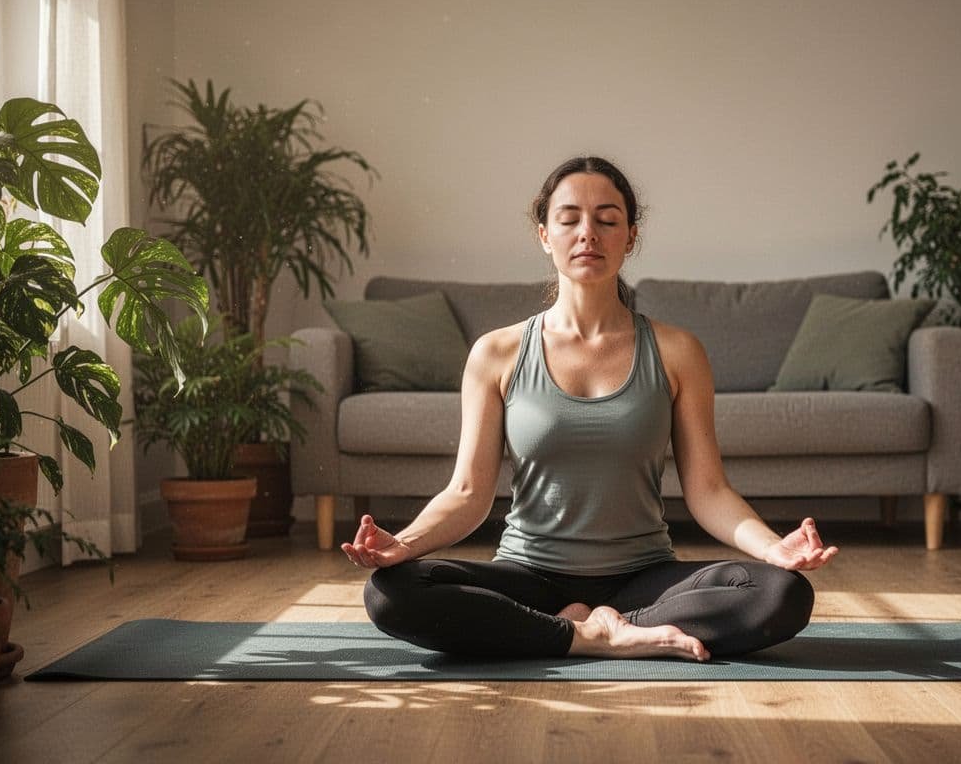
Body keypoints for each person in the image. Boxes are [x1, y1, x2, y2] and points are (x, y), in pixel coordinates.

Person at [343, 156, 838, 662]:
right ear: (544, 235)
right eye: (569, 219)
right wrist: (403, 544)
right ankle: (593, 635)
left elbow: (708, 490)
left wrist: (773, 549)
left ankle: (589, 629)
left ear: (630, 237)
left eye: (607, 220)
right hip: (528, 576)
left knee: (782, 592)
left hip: (644, 580)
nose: (588, 234)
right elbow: (468, 492)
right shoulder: (497, 353)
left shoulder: (677, 351)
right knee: (390, 591)